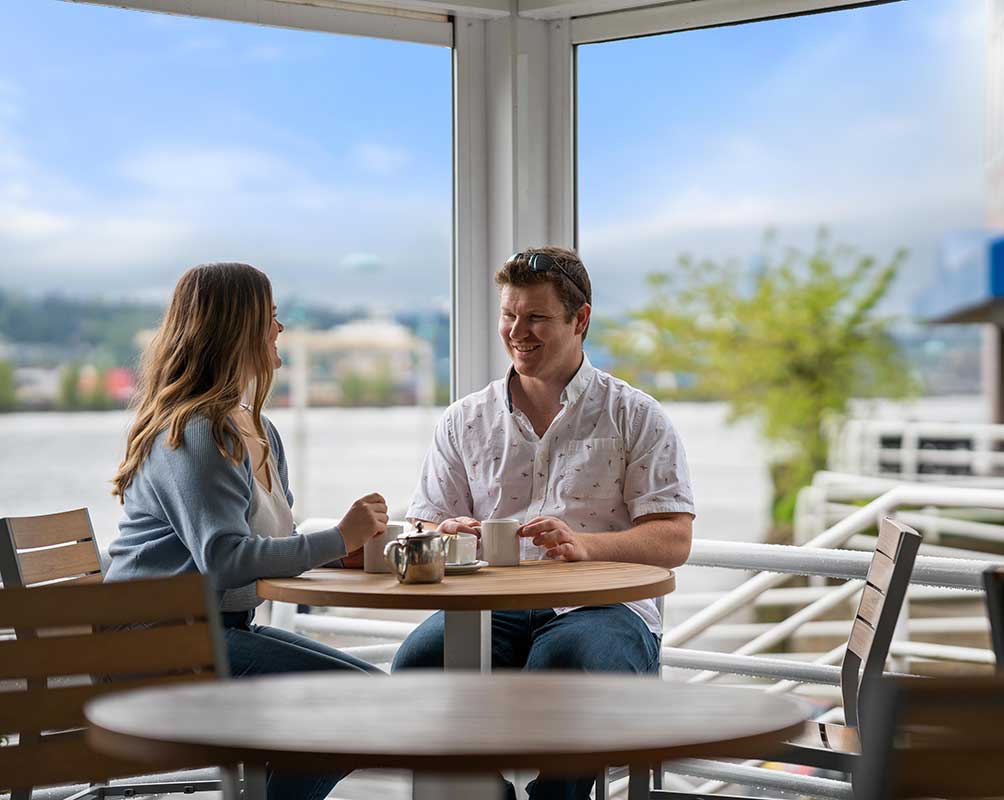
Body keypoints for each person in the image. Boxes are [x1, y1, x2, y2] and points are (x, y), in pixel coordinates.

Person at [392, 246, 695, 800]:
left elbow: (674, 537)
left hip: (604, 611)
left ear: (580, 320)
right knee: (418, 664)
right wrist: (442, 535)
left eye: (536, 317)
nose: (517, 331)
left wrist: (586, 545)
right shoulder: (464, 420)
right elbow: (423, 524)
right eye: (509, 315)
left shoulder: (635, 414)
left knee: (568, 663)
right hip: (487, 608)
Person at [107, 262, 387, 800]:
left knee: (373, 695)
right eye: (271, 318)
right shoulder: (195, 432)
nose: (279, 330)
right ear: (235, 327)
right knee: (363, 701)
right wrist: (338, 539)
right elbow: (226, 559)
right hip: (157, 646)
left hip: (219, 631)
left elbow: (259, 546)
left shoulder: (256, 428)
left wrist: (344, 553)